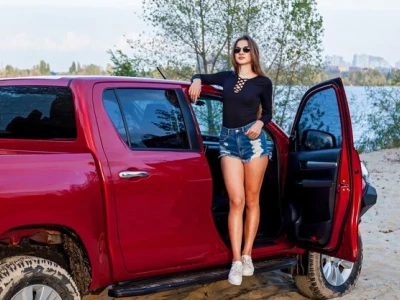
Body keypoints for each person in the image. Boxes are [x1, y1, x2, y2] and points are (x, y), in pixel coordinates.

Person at [188, 34, 273, 286]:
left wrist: (260, 122)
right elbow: (199, 75)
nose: (241, 52)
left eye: (246, 49)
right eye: (237, 49)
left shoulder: (263, 82)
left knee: (252, 200)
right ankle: (236, 261)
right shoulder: (227, 77)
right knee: (236, 201)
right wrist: (195, 81)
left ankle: (248, 255)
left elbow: (268, 112)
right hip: (227, 141)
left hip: (253, 141)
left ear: (253, 53)